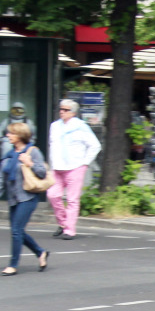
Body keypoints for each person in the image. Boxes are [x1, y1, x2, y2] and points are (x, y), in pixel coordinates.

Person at [0, 122, 50, 276]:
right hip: (13, 198)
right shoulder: (9, 155)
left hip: (28, 197)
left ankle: (13, 265)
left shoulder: (33, 152)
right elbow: (0, 177)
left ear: (20, 135)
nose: (8, 136)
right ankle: (41, 252)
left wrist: (29, 162)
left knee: (17, 231)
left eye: (11, 133)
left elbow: (42, 173)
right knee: (17, 231)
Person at [46, 98, 101, 240]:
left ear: (73, 113)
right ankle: (63, 223)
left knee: (72, 199)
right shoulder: (54, 126)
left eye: (65, 110)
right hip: (57, 167)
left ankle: (69, 230)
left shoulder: (81, 126)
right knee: (52, 194)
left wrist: (85, 163)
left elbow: (95, 145)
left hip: (75, 167)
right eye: (60, 109)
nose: (61, 112)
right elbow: (52, 145)